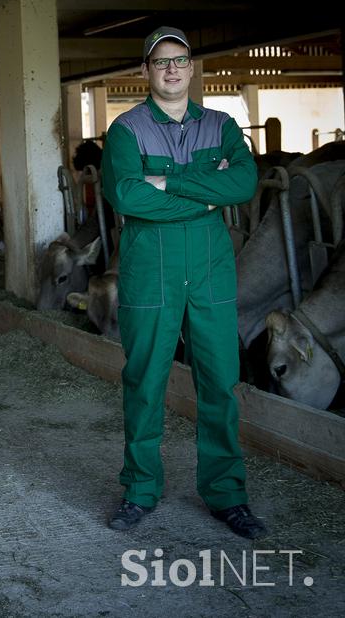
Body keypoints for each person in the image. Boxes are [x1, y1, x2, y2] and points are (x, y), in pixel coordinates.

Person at [101, 26, 266, 539]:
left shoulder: (222, 124)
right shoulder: (126, 130)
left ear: (191, 68)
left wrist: (167, 182)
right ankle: (140, 489)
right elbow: (126, 196)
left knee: (219, 381)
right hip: (150, 269)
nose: (171, 69)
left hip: (211, 269)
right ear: (146, 72)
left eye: (180, 60)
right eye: (160, 62)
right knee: (146, 380)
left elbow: (242, 182)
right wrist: (206, 195)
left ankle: (226, 494)